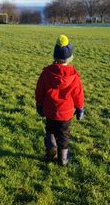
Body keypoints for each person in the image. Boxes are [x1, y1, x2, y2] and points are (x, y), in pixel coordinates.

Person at [35, 35, 84, 166]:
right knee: (63, 135)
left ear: (54, 56)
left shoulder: (46, 73)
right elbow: (78, 94)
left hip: (50, 110)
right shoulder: (74, 76)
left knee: (50, 130)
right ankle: (63, 159)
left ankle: (51, 147)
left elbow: (39, 90)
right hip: (66, 113)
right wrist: (80, 108)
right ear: (70, 58)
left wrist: (39, 104)